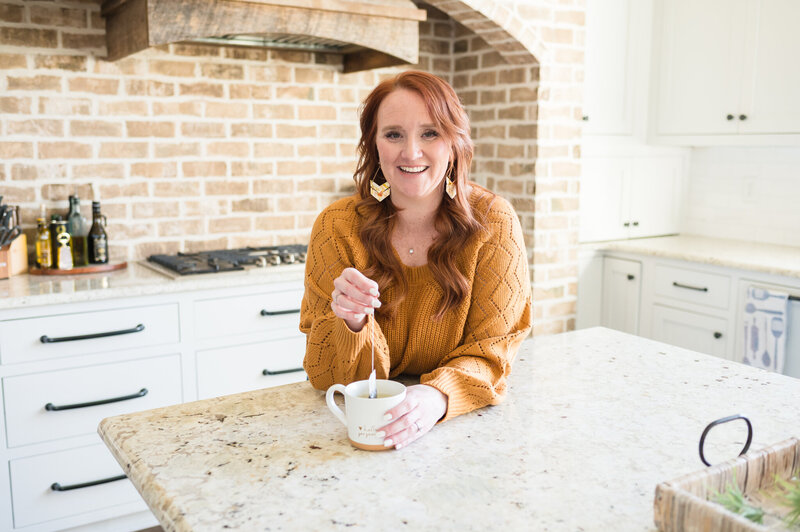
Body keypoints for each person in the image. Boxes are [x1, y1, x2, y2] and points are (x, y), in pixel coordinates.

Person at [300, 70, 531, 450]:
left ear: (454, 143)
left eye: (430, 133)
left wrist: (437, 396)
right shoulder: (336, 227)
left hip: (458, 436)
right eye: (393, 134)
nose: (410, 152)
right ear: (374, 146)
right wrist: (353, 323)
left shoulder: (494, 223)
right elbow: (326, 375)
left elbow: (492, 353)